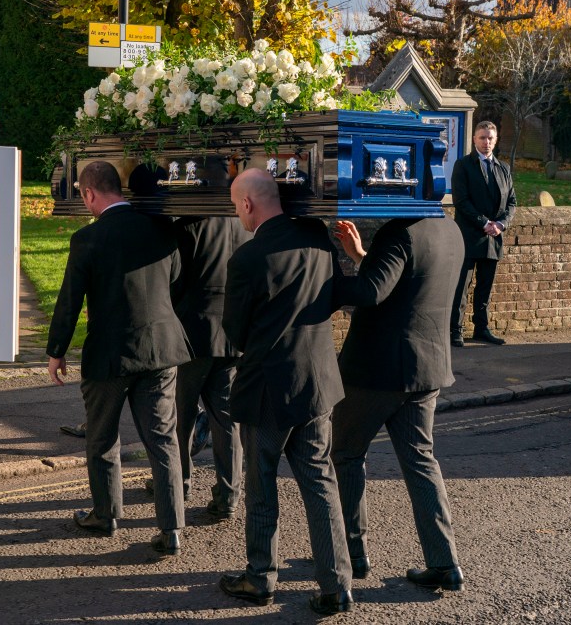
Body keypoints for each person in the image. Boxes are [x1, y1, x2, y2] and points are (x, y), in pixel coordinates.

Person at [218, 169, 353, 616]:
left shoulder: (248, 259)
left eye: (237, 205)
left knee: (261, 488)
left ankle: (261, 579)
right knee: (319, 482)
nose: (238, 212)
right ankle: (337, 584)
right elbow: (334, 294)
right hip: (316, 382)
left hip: (265, 392)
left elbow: (235, 331)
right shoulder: (316, 237)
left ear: (248, 205)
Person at [46, 160, 190, 555]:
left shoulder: (87, 240)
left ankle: (106, 515)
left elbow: (70, 300)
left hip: (109, 355)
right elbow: (175, 278)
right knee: (162, 440)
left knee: (102, 436)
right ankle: (172, 528)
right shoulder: (162, 229)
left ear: (89, 193)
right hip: (161, 349)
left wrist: (56, 352)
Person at [331, 217, 466, 591]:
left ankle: (351, 554)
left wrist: (320, 276)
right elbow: (405, 284)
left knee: (344, 454)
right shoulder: (450, 228)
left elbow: (372, 292)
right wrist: (362, 256)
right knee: (421, 462)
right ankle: (444, 563)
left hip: (377, 371)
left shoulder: (398, 232)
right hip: (426, 369)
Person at [167, 215, 250, 517]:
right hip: (233, 333)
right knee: (227, 419)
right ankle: (229, 495)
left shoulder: (188, 226)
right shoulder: (245, 223)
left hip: (193, 332)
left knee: (181, 414)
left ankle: (179, 483)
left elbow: (174, 282)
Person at [449, 120, 517, 347]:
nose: (486, 142)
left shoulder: (503, 168)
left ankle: (481, 328)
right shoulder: (463, 165)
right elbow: (461, 201)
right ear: (474, 139)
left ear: (495, 140)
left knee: (485, 287)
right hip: (468, 235)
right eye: (482, 138)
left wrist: (501, 225)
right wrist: (484, 222)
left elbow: (512, 203)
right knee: (461, 286)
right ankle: (455, 331)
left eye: (490, 138)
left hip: (494, 237)